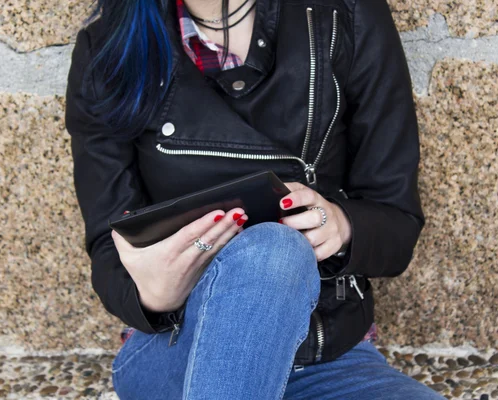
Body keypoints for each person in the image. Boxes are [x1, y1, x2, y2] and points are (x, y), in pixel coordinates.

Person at [65, 0, 444, 398]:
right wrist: (153, 296)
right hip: (179, 346)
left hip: (324, 352)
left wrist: (341, 225)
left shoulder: (345, 13)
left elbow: (397, 220)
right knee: (274, 250)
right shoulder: (108, 45)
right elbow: (108, 242)